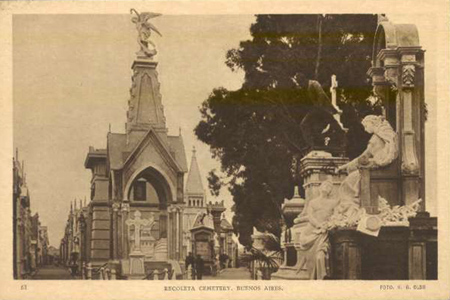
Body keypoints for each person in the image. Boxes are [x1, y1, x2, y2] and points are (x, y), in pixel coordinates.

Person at [336, 115, 398, 217]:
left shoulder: (376, 138)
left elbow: (363, 157)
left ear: (373, 123)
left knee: (348, 182)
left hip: (375, 170)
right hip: (378, 168)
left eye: (366, 126)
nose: (365, 129)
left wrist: (344, 167)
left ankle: (352, 211)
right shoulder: (383, 134)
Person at [297, 180, 340, 279]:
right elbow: (310, 216)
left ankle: (321, 276)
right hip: (313, 230)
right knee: (310, 254)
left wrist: (328, 225)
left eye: (329, 186)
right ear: (320, 188)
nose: (327, 187)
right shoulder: (313, 202)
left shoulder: (333, 203)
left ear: (331, 190)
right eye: (325, 185)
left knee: (320, 256)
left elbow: (336, 215)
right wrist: (318, 225)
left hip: (325, 231)